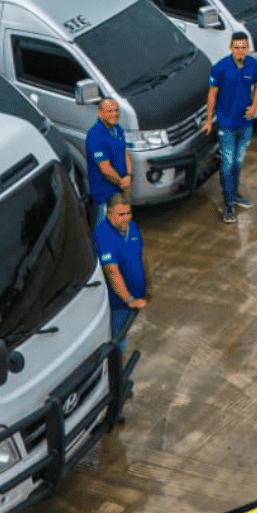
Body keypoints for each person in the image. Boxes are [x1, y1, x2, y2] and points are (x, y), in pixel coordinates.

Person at [204, 31, 257, 223]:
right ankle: (228, 205)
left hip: (245, 124)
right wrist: (208, 120)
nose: (240, 51)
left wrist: (254, 106)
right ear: (231, 48)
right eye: (236, 47)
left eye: (243, 47)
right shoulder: (220, 68)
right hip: (226, 125)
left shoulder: (252, 65)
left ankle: (235, 194)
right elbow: (212, 95)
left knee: (238, 161)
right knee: (227, 164)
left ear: (247, 48)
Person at [93, 193, 147, 370]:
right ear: (109, 214)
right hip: (118, 302)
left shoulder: (132, 227)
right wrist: (129, 299)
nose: (126, 218)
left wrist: (147, 287)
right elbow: (112, 272)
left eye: (128, 213)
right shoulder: (103, 235)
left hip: (133, 298)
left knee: (122, 337)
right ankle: (116, 377)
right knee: (116, 339)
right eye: (121, 214)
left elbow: (140, 256)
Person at [84, 95, 130, 219]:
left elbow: (125, 153)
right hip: (105, 195)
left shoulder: (117, 129)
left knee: (121, 224)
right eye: (110, 111)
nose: (114, 114)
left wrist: (128, 176)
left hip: (120, 189)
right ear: (100, 113)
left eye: (116, 110)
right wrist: (123, 183)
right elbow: (105, 169)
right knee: (104, 227)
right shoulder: (95, 136)